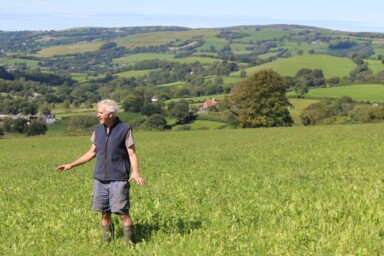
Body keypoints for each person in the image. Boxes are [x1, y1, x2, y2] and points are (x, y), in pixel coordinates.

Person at [55, 99, 144, 244]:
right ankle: (107, 244)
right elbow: (91, 153)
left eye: (100, 112)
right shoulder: (98, 130)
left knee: (122, 214)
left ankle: (131, 245)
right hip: (100, 179)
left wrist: (136, 172)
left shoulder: (125, 129)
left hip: (119, 179)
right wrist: (71, 165)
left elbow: (132, 153)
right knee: (104, 214)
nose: (98, 115)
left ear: (110, 114)